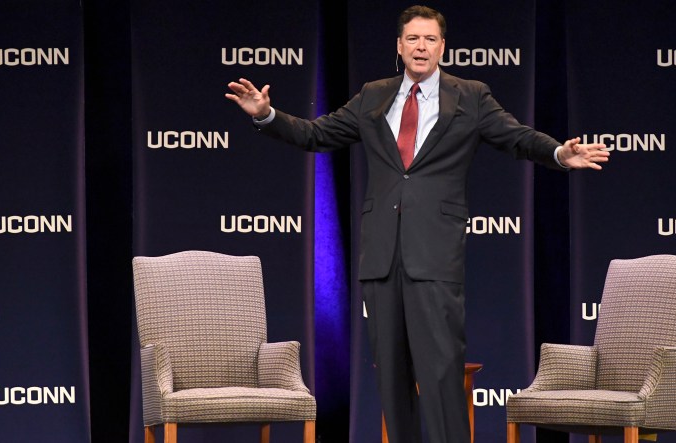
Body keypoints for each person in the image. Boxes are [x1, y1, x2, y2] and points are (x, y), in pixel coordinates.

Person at [226, 5, 609, 442]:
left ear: (442, 47)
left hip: (435, 255)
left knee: (441, 372)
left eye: (429, 39)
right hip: (381, 256)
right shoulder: (373, 95)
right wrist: (266, 115)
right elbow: (317, 134)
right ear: (399, 45)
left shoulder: (471, 96)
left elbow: (517, 137)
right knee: (391, 377)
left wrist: (558, 153)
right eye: (413, 39)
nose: (421, 47)